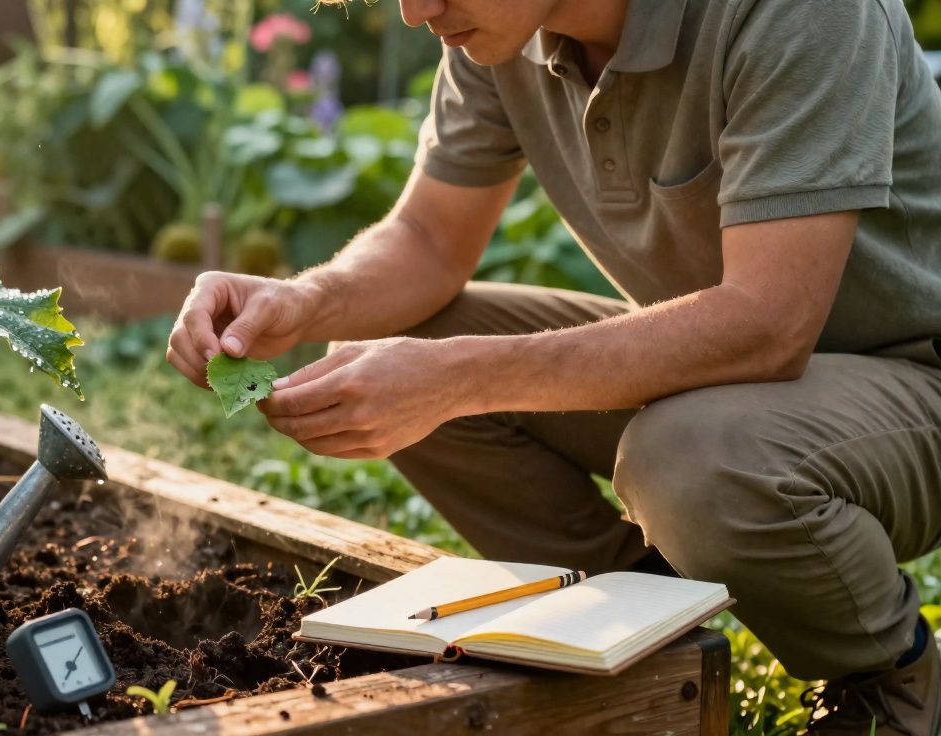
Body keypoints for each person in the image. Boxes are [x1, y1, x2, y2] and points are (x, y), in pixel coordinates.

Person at [166, 1, 941, 732]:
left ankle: (893, 680)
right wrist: (303, 301)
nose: (412, 11)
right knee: (398, 341)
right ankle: (651, 633)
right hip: (731, 386)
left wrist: (455, 378)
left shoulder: (796, 13)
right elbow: (430, 242)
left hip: (913, 382)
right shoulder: (499, 27)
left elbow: (769, 325)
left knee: (690, 456)